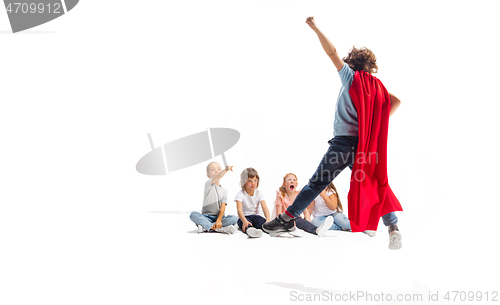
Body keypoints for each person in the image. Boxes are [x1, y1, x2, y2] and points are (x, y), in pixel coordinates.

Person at [263, 16, 403, 250]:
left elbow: (332, 52)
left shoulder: (351, 78)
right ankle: (393, 227)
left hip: (343, 145)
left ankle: (287, 219)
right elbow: (395, 101)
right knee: (377, 182)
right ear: (371, 67)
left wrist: (316, 28)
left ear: (352, 63)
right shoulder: (377, 88)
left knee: (316, 183)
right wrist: (375, 123)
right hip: (363, 147)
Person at [189, 162, 238, 234]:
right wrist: (226, 170)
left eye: (218, 169)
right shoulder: (208, 184)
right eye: (213, 170)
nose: (217, 171)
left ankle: (206, 227)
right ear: (208, 175)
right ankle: (219, 228)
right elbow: (218, 176)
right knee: (193, 214)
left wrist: (219, 220)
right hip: (206, 217)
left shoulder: (224, 191)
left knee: (234, 218)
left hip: (220, 218)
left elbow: (222, 207)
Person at [234, 168, 271, 238]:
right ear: (244, 181)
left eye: (255, 180)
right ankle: (250, 230)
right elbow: (239, 210)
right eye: (250, 181)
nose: (253, 183)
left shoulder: (259, 193)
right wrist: (244, 221)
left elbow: (265, 207)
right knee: (244, 223)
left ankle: (269, 230)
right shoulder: (240, 194)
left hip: (256, 217)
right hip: (245, 217)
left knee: (263, 223)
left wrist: (268, 219)